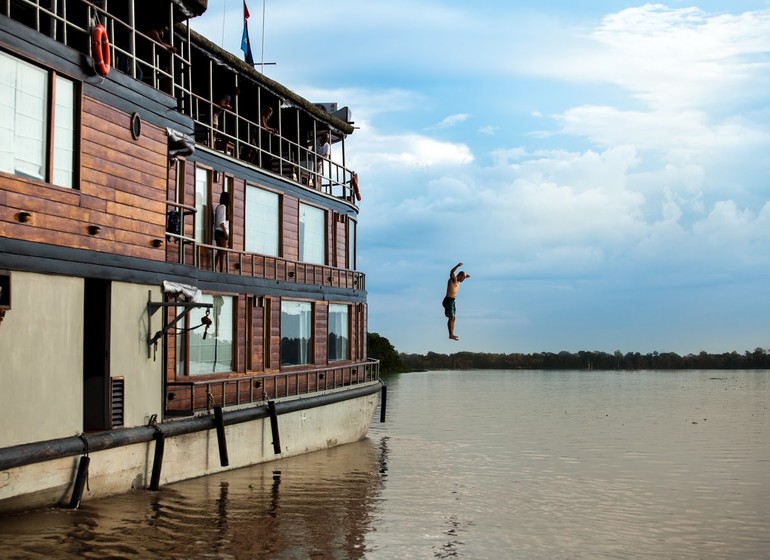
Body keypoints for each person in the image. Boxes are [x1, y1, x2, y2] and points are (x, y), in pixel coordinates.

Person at [442, 262, 470, 340]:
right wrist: (457, 266)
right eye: (463, 278)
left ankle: (452, 334)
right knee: (451, 317)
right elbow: (451, 272)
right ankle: (450, 334)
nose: (464, 279)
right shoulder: (454, 279)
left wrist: (466, 275)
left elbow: (467, 276)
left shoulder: (459, 282)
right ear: (460, 276)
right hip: (448, 300)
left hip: (452, 301)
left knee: (453, 318)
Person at [214, 191, 230, 272]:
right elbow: (221, 222)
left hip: (217, 231)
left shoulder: (218, 207)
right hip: (221, 232)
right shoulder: (223, 207)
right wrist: (226, 233)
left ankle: (215, 268)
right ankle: (221, 270)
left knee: (219, 252)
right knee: (222, 252)